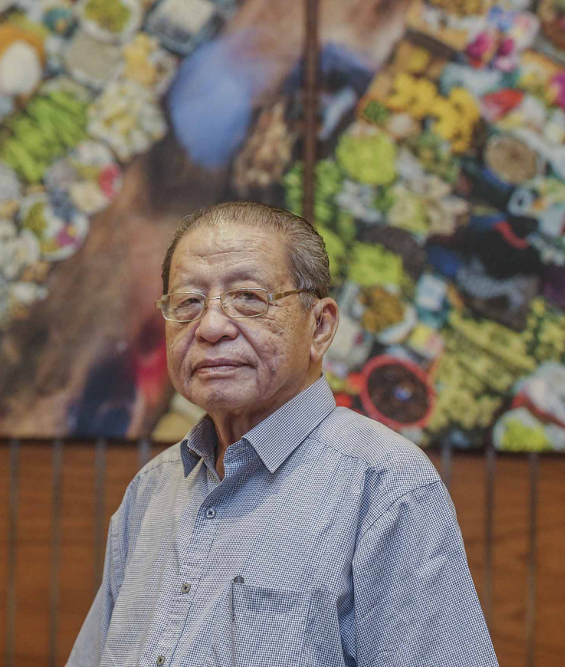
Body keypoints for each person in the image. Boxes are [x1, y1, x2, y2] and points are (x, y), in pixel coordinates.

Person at [67, 201, 497, 666]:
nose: (210, 326)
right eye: (188, 302)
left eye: (249, 298)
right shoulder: (150, 490)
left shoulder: (385, 485)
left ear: (321, 326)